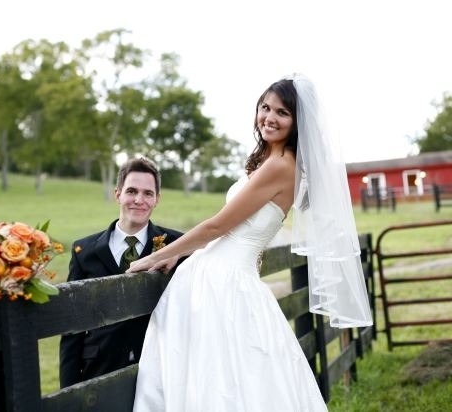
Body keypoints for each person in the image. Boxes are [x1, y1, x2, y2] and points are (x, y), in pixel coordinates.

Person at [127, 74, 372, 411]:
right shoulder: (271, 161)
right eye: (265, 107)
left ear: (298, 121)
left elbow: (217, 226)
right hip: (220, 277)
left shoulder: (281, 166)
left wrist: (154, 258)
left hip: (222, 282)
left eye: (282, 112)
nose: (269, 117)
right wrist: (180, 255)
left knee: (220, 380)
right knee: (215, 375)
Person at [59, 156, 184, 388]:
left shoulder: (176, 244)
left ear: (157, 199)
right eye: (132, 191)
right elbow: (72, 328)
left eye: (148, 193)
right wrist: (69, 391)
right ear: (118, 194)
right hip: (99, 368)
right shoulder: (84, 250)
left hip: (159, 369)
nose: (139, 200)